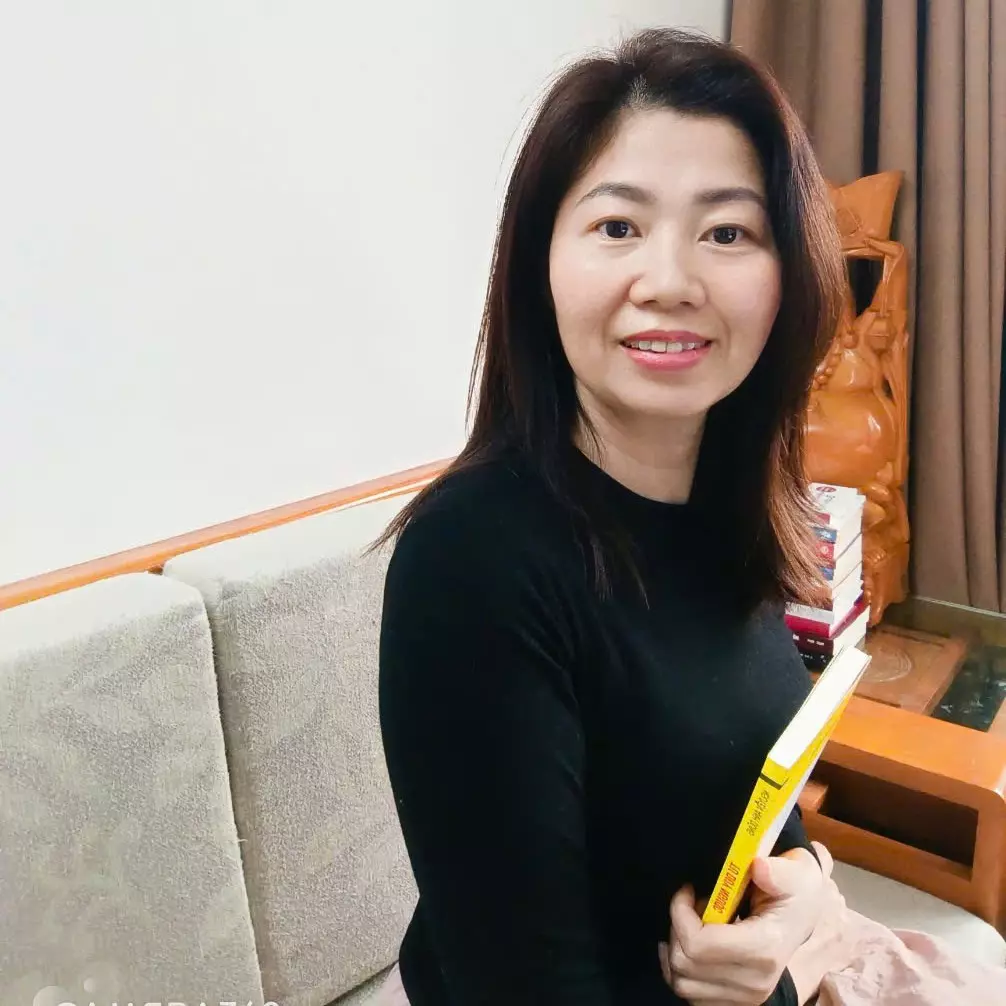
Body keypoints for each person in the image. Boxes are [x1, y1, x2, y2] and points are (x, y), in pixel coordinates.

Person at [377, 27, 856, 1005]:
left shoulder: (734, 511)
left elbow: (750, 797)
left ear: (787, 276)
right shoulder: (471, 563)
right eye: (617, 226)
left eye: (727, 233)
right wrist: (797, 971)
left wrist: (808, 890)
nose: (670, 281)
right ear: (541, 265)